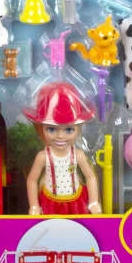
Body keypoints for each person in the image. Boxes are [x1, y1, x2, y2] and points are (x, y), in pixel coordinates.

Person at [24, 82, 102, 215]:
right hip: (50, 202)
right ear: (41, 128)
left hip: (76, 201)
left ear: (78, 128)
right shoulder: (43, 156)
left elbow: (90, 177)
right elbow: (32, 180)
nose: (60, 136)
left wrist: (93, 202)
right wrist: (34, 206)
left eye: (69, 130)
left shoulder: (78, 155)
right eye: (51, 129)